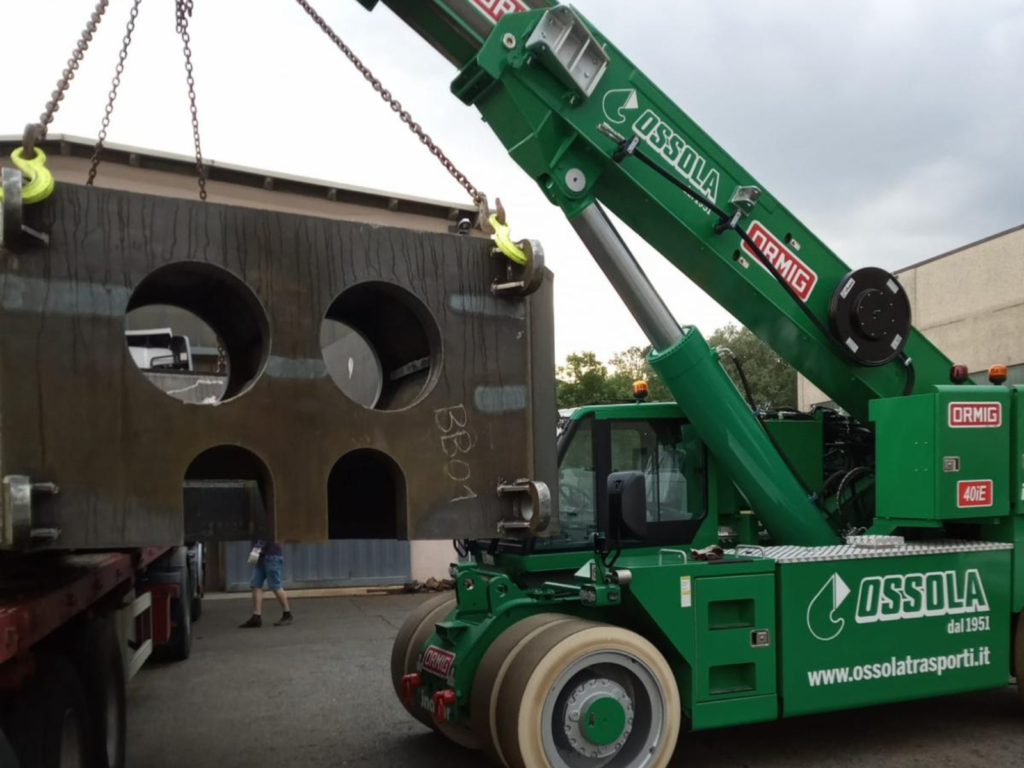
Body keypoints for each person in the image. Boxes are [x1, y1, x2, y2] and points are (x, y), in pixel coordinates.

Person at [238, 540, 293, 627]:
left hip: (271, 555)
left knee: (275, 585)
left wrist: (255, 550)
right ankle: (256, 616)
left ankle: (287, 614)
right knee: (255, 584)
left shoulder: (266, 527)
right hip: (262, 556)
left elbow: (266, 536)